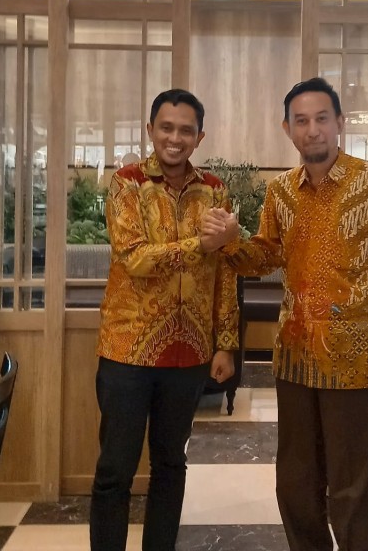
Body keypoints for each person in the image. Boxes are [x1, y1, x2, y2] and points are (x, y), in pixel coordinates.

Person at [203, 77, 368, 551]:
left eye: (322, 118)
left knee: (351, 486)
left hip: (357, 361)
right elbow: (264, 256)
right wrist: (230, 244)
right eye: (301, 121)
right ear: (288, 129)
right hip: (296, 358)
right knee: (295, 483)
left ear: (340, 122)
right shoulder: (281, 191)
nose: (312, 129)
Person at [90, 88, 239, 551]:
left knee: (171, 465)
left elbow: (224, 270)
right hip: (128, 350)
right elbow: (134, 258)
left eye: (186, 130)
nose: (175, 138)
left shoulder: (214, 190)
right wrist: (201, 245)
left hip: (189, 353)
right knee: (115, 469)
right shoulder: (127, 184)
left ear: (199, 137)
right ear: (151, 130)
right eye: (167, 128)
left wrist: (226, 342)